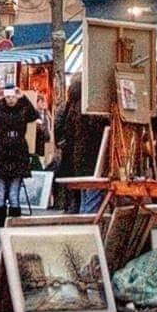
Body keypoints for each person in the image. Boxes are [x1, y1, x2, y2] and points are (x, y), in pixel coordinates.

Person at [0, 86, 40, 235]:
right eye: (8, 97)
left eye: (13, 96)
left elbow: (34, 115)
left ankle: (14, 229)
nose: (10, 99)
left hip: (18, 153)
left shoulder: (23, 110)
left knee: (14, 194)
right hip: (2, 153)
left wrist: (24, 97)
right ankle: (1, 229)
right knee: (0, 195)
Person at [56, 74, 108, 214]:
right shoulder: (87, 106)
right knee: (92, 196)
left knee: (85, 195)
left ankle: (82, 225)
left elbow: (66, 131)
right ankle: (88, 229)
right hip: (92, 156)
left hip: (79, 157)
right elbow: (94, 128)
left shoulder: (72, 106)